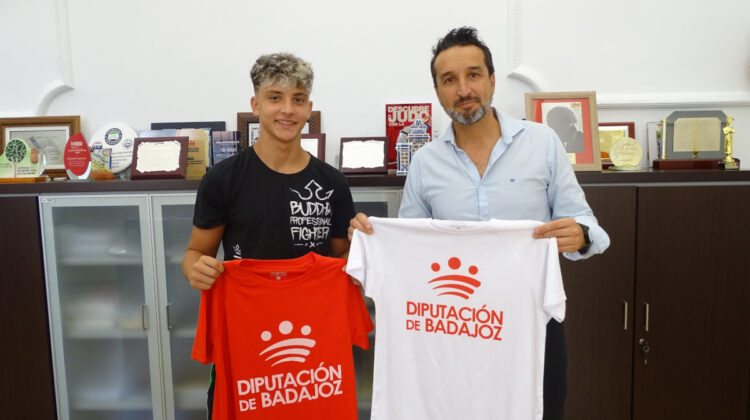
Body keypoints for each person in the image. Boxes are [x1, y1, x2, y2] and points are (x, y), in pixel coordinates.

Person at [348, 27, 610, 420]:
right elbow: (409, 250)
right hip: (454, 330)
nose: (463, 89)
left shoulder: (542, 143)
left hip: (531, 326)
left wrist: (582, 235)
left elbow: (590, 225)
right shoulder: (425, 162)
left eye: (473, 75)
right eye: (449, 80)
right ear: (437, 91)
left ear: (491, 80)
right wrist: (372, 237)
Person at [183, 52, 356, 419]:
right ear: (255, 105)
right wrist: (196, 270)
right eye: (275, 97)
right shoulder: (223, 180)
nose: (287, 110)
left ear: (309, 108)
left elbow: (343, 259)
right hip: (245, 341)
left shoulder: (333, 183)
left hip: (313, 347)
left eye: (298, 99)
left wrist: (362, 251)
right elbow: (196, 253)